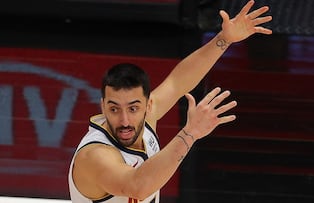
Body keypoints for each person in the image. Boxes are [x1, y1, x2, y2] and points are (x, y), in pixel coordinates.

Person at [68, 1, 272, 202]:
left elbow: (177, 82)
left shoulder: (147, 117)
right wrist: (190, 134)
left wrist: (224, 39)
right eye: (114, 109)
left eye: (133, 108)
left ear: (148, 106)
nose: (125, 121)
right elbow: (138, 187)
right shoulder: (94, 156)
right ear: (102, 106)